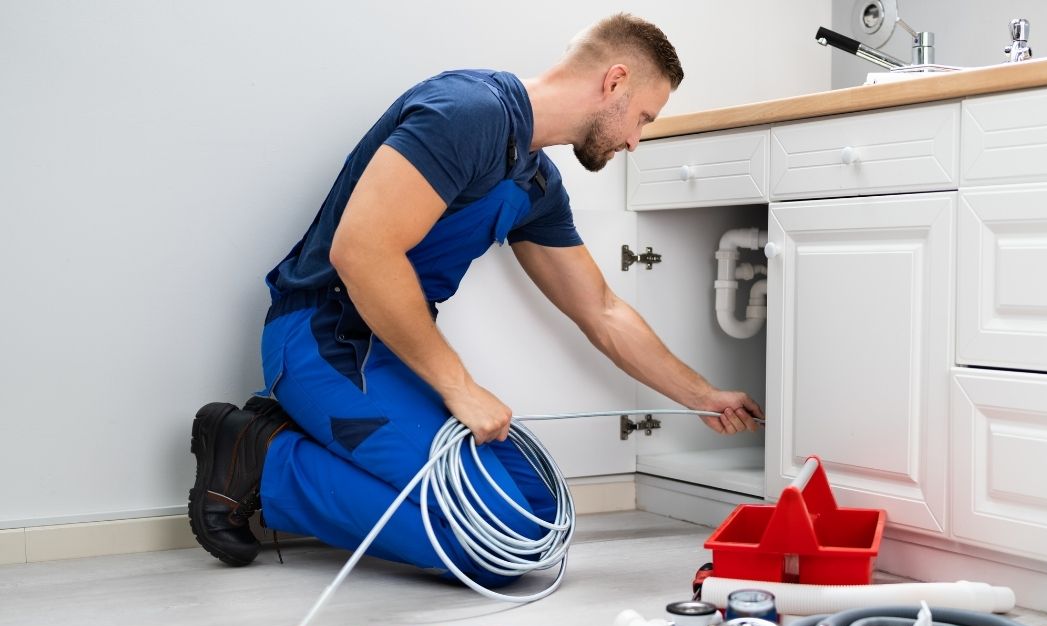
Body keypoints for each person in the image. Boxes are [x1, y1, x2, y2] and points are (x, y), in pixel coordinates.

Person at [186, 14, 763, 581]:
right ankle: (264, 459)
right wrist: (460, 388)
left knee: (533, 516)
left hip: (393, 355)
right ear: (614, 81)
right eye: (641, 117)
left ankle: (308, 440)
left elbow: (602, 311)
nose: (636, 140)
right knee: (489, 542)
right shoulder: (468, 112)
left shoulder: (536, 182)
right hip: (322, 339)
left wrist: (704, 395)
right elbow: (360, 252)